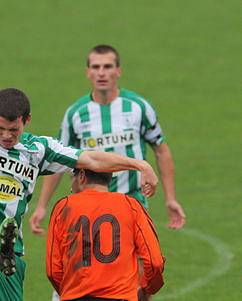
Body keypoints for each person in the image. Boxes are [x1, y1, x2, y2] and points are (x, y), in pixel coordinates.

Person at [0, 7, 158, 301]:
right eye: (0, 129)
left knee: (3, 256)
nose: (7, 136)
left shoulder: (39, 150)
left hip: (9, 265)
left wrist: (138, 165)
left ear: (26, 121)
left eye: (13, 130)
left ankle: (3, 253)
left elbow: (91, 159)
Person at [30, 44, 186, 237]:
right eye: (96, 67)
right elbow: (60, 158)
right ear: (88, 72)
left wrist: (170, 199)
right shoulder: (75, 114)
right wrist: (41, 206)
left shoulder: (138, 107)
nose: (101, 73)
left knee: (138, 265)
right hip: (90, 208)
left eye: (107, 66)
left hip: (133, 202)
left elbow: (161, 150)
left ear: (118, 71)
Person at [46, 169, 165, 301]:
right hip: (121, 296)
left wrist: (70, 291)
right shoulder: (131, 205)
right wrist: (148, 288)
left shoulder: (63, 207)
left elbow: (53, 270)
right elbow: (155, 262)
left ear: (81, 176)